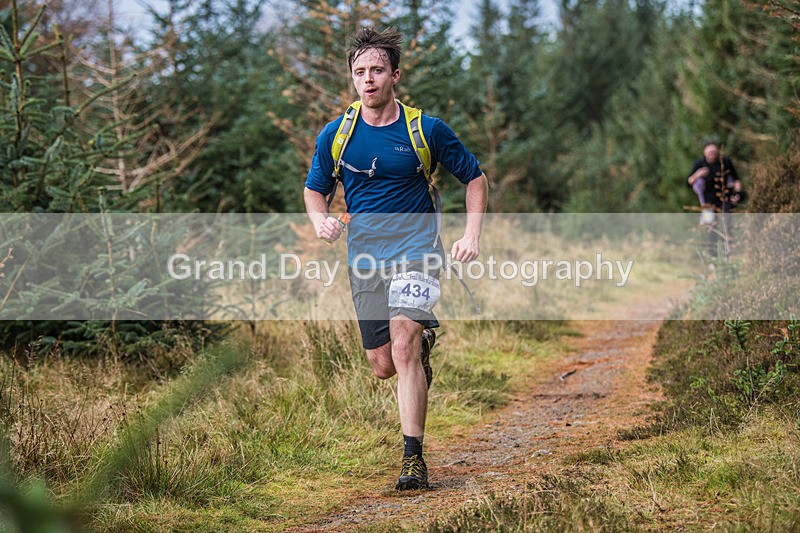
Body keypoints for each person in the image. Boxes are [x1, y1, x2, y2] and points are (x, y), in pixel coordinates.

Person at [303, 26, 488, 490]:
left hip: (418, 251)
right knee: (383, 363)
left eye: (377, 70)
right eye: (359, 71)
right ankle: (419, 352)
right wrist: (319, 220)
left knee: (402, 344)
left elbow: (476, 178)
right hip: (365, 258)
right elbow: (314, 190)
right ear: (351, 77)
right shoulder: (337, 134)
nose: (368, 79)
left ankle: (412, 459)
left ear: (395, 75)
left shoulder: (425, 129)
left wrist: (471, 235)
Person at [687, 140, 744, 258]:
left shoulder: (725, 161)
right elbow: (689, 182)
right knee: (711, 228)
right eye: (710, 152)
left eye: (714, 152)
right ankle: (713, 256)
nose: (712, 154)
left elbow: (736, 180)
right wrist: (698, 174)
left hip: (725, 199)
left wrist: (738, 193)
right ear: (705, 153)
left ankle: (728, 254)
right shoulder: (700, 163)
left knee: (727, 225)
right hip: (707, 202)